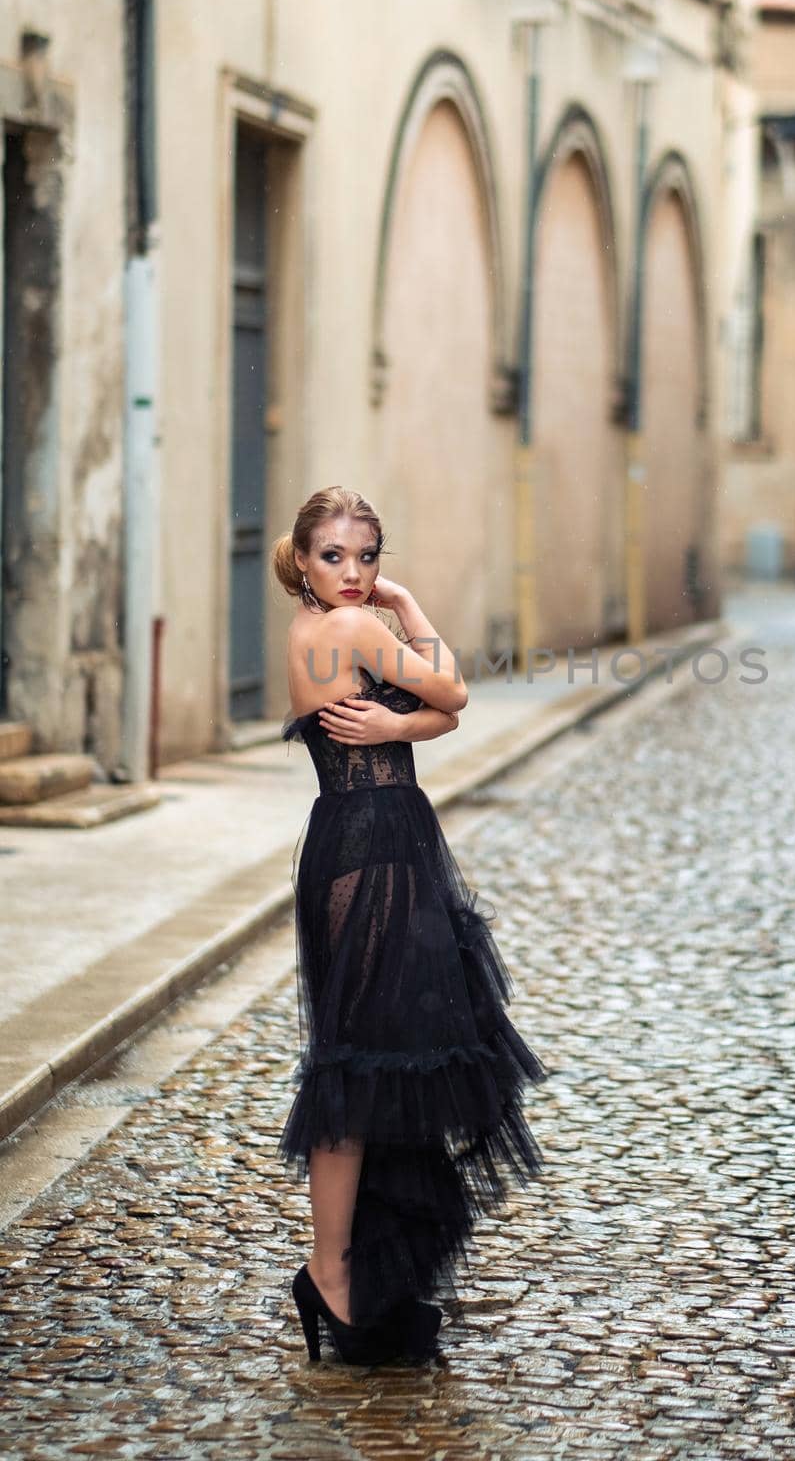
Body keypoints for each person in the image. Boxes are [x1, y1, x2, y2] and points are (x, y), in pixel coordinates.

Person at [270, 485, 544, 1366]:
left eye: (367, 557)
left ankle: (337, 1273)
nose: (354, 574)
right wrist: (411, 610)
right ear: (302, 563)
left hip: (341, 843)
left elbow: (428, 719)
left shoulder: (308, 634)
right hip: (380, 846)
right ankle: (331, 1273)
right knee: (361, 1062)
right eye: (333, 557)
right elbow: (455, 690)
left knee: (356, 1056)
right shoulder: (354, 631)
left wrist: (404, 717)